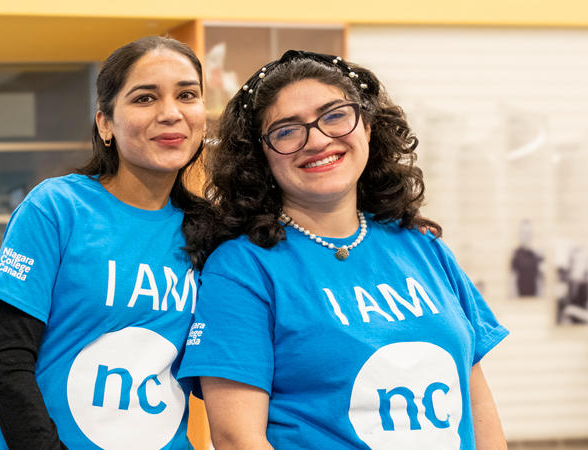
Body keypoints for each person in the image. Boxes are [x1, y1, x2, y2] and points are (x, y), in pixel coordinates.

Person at [179, 50, 509, 449]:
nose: (317, 140)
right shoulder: (242, 269)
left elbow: (476, 400)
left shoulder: (424, 247)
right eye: (286, 130)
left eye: (335, 115)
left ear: (367, 126)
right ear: (261, 157)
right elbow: (237, 438)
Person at [0, 36, 213, 450]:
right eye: (144, 98)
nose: (171, 113)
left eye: (187, 95)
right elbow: (9, 362)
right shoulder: (57, 207)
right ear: (105, 123)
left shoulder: (212, 230)